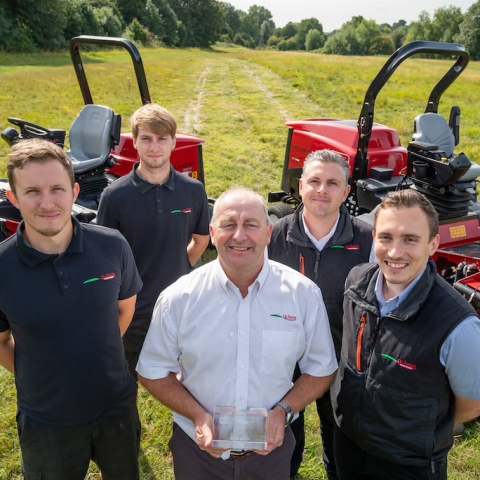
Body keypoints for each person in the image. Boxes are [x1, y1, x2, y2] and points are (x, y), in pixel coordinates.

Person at [137, 186, 338, 480]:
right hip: (198, 453)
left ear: (269, 232)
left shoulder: (302, 294)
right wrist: (197, 415)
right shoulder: (179, 298)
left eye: (251, 225)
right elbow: (152, 370)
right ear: (212, 232)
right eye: (228, 224)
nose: (239, 235)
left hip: (270, 457)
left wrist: (284, 410)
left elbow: (322, 368)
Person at [0, 139, 143, 479]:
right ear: (13, 197)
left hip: (116, 407)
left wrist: (96, 352)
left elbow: (125, 309)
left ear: (75, 191)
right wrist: (40, 373)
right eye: (32, 191)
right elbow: (1, 341)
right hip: (46, 420)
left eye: (57, 189)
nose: (47, 203)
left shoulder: (112, 245)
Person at [331, 189, 480, 480]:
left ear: (433, 243)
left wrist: (415, 429)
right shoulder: (356, 282)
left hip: (407, 465)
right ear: (373, 237)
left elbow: (470, 406)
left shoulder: (459, 326)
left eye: (410, 239)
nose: (395, 252)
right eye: (386, 237)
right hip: (347, 445)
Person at [268, 149, 374, 480]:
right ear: (300, 187)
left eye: (332, 183)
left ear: (346, 192)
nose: (321, 190)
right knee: (284, 447)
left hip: (342, 363)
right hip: (284, 365)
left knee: (340, 449)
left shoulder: (368, 240)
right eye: (314, 181)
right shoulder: (273, 237)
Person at [97, 103, 210, 379]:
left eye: (162, 139)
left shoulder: (193, 191)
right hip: (132, 310)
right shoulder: (114, 196)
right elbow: (104, 255)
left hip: (182, 307)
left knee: (191, 383)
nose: (154, 147)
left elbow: (201, 239)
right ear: (134, 141)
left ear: (174, 142)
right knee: (124, 383)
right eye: (146, 138)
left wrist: (179, 266)